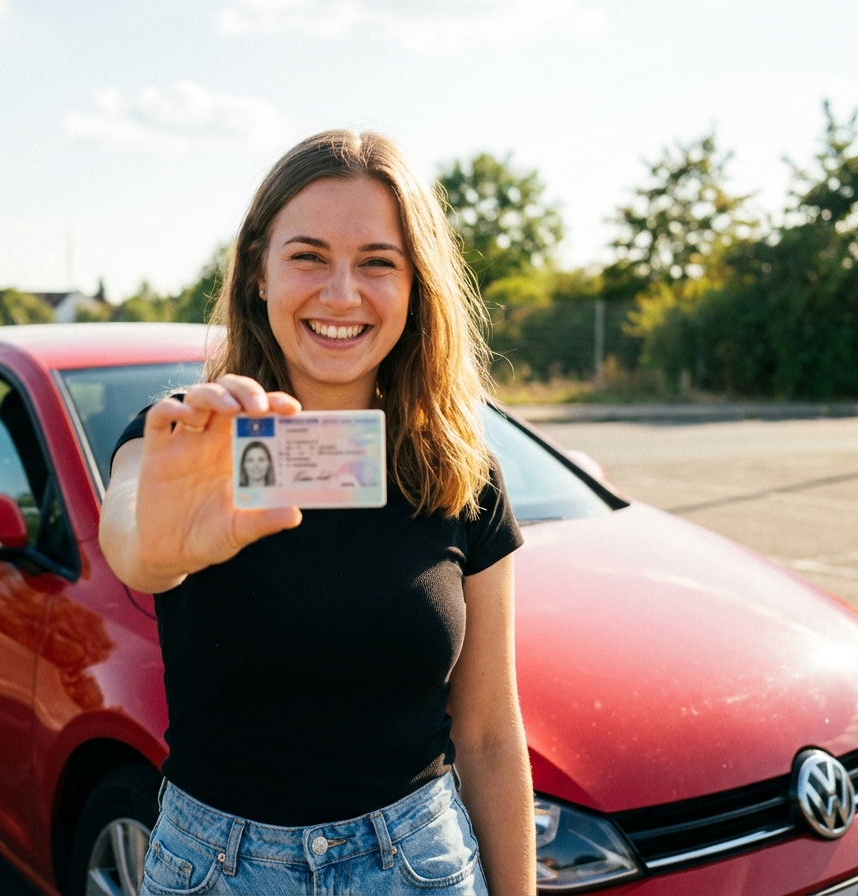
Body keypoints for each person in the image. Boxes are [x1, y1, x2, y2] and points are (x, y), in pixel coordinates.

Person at [100, 130, 536, 895]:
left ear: (416, 288)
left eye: (377, 263)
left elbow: (492, 735)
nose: (342, 294)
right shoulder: (181, 440)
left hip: (420, 866)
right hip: (216, 870)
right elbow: (135, 545)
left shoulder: (463, 473)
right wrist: (164, 550)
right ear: (258, 274)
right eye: (307, 256)